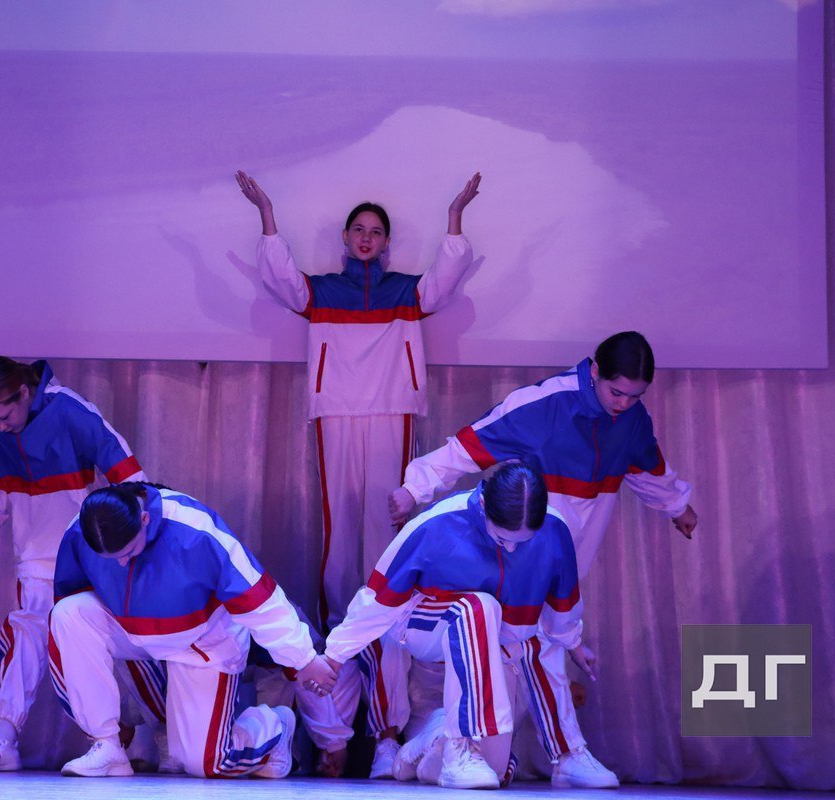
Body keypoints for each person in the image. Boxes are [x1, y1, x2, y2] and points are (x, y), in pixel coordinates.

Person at [237, 169, 481, 775]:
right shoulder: (323, 291)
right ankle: (342, 627)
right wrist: (267, 215)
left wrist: (456, 217)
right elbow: (283, 281)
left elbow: (444, 281)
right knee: (339, 525)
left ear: (386, 242)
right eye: (359, 230)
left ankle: (386, 619)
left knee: (387, 525)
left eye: (376, 231)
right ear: (346, 239)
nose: (367, 238)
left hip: (392, 407)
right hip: (337, 410)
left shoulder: (405, 291)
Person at [389, 331, 698, 788]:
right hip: (522, 546)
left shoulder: (633, 419)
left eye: (635, 396)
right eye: (616, 392)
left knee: (531, 657)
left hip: (571, 551)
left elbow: (648, 467)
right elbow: (470, 446)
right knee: (537, 642)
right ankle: (563, 752)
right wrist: (414, 487)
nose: (624, 404)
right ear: (594, 370)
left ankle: (450, 738)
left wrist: (677, 506)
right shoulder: (544, 404)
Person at [314, 462, 594, 790]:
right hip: (423, 628)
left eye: (522, 541)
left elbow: (562, 600)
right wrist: (334, 655)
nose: (511, 548)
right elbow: (378, 599)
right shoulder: (437, 525)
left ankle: (430, 742)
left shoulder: (554, 529)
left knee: (497, 770)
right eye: (502, 537)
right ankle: (461, 744)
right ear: (484, 504)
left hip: (494, 635)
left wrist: (573, 641)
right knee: (478, 606)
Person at [48, 482, 336, 779]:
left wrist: (303, 658)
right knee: (69, 612)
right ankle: (107, 745)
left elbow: (258, 597)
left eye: (129, 551)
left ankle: (275, 726)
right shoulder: (82, 530)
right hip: (135, 631)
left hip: (202, 641)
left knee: (207, 763)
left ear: (145, 519)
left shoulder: (194, 529)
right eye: (110, 558)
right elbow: (73, 610)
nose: (121, 563)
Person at [0, 357, 146, 771]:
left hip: (90, 552)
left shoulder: (70, 409)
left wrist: (139, 532)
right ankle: (4, 740)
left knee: (112, 641)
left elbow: (125, 470)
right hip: (36, 553)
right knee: (25, 633)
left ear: (24, 393)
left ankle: (132, 736)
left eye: (5, 417)